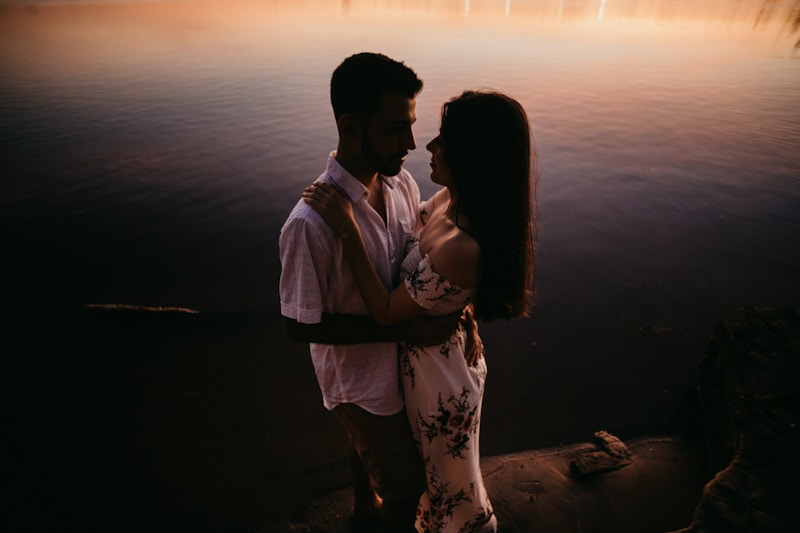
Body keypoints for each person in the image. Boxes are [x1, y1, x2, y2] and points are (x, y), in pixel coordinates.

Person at [303, 90, 536, 532]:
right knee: (430, 481)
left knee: (451, 487)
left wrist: (349, 229)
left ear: (474, 155)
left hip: (439, 380)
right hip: (427, 357)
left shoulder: (464, 246)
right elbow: (431, 278)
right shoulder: (449, 201)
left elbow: (388, 312)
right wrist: (463, 309)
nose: (427, 147)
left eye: (444, 140)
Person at [280, 52, 467, 532]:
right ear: (350, 125)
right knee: (406, 493)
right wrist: (402, 329)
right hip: (360, 382)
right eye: (393, 128)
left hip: (402, 369)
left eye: (411, 125)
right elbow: (298, 324)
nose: (410, 141)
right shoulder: (309, 224)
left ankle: (363, 510)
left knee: (366, 451)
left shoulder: (401, 182)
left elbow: (418, 251)